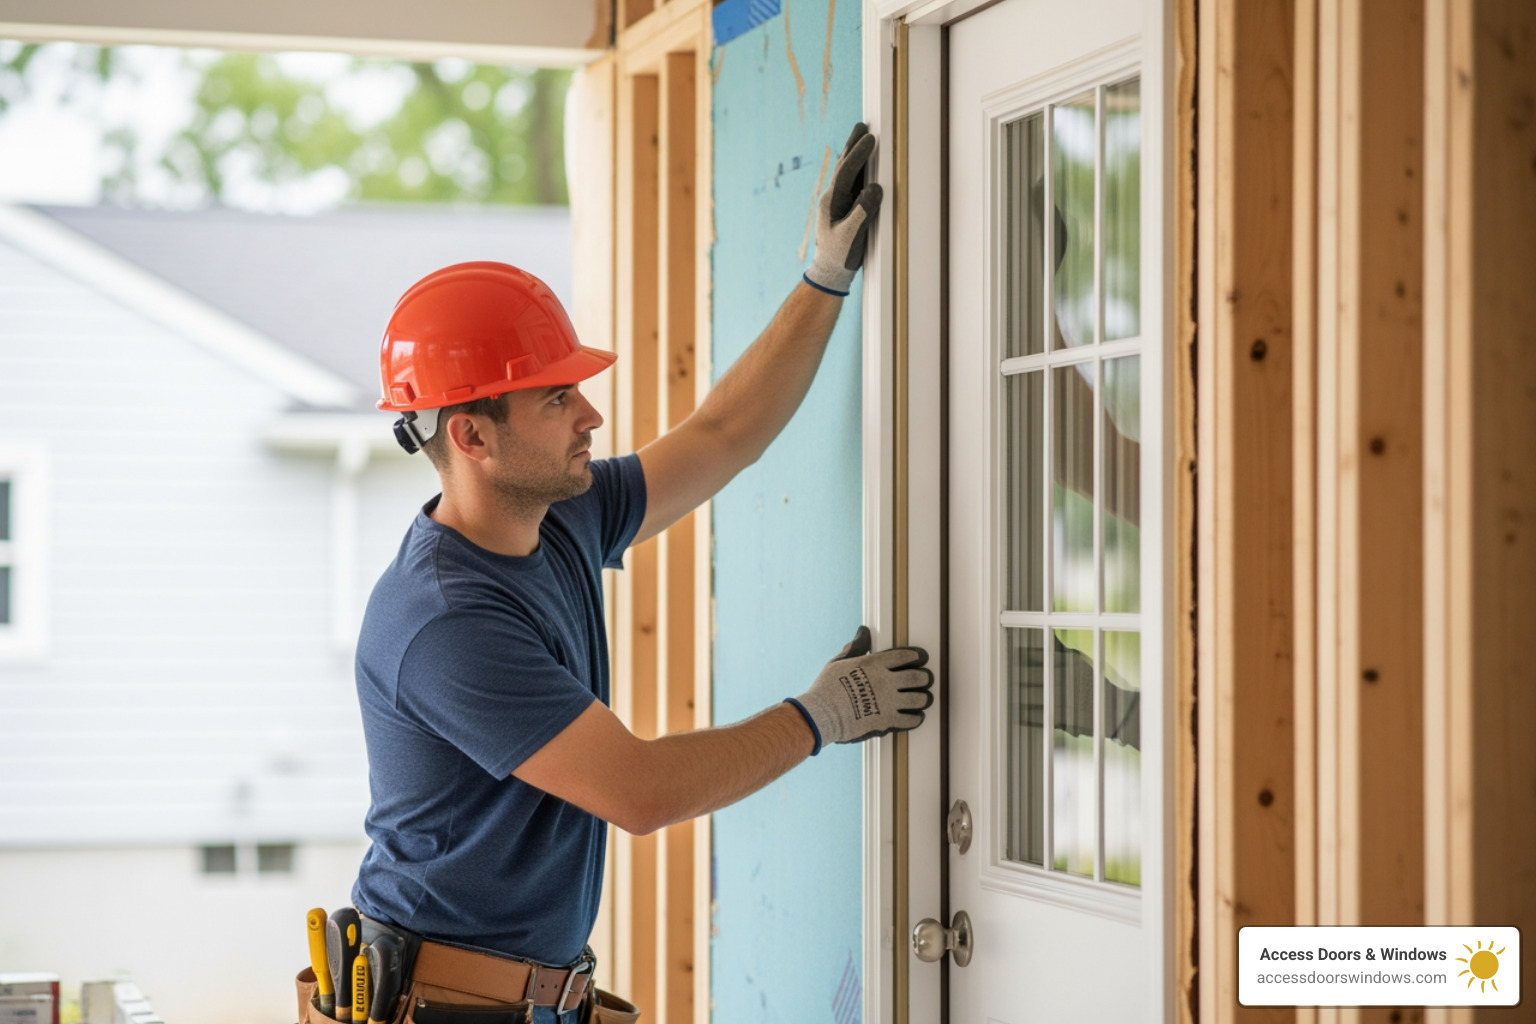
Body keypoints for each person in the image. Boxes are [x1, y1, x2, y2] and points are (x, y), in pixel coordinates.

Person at [346, 124, 932, 1023]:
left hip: (529, 999)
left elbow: (720, 437)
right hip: (448, 1007)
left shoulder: (561, 509)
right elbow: (639, 791)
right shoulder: (443, 622)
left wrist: (825, 274)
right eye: (555, 398)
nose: (590, 413)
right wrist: (824, 714)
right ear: (470, 436)